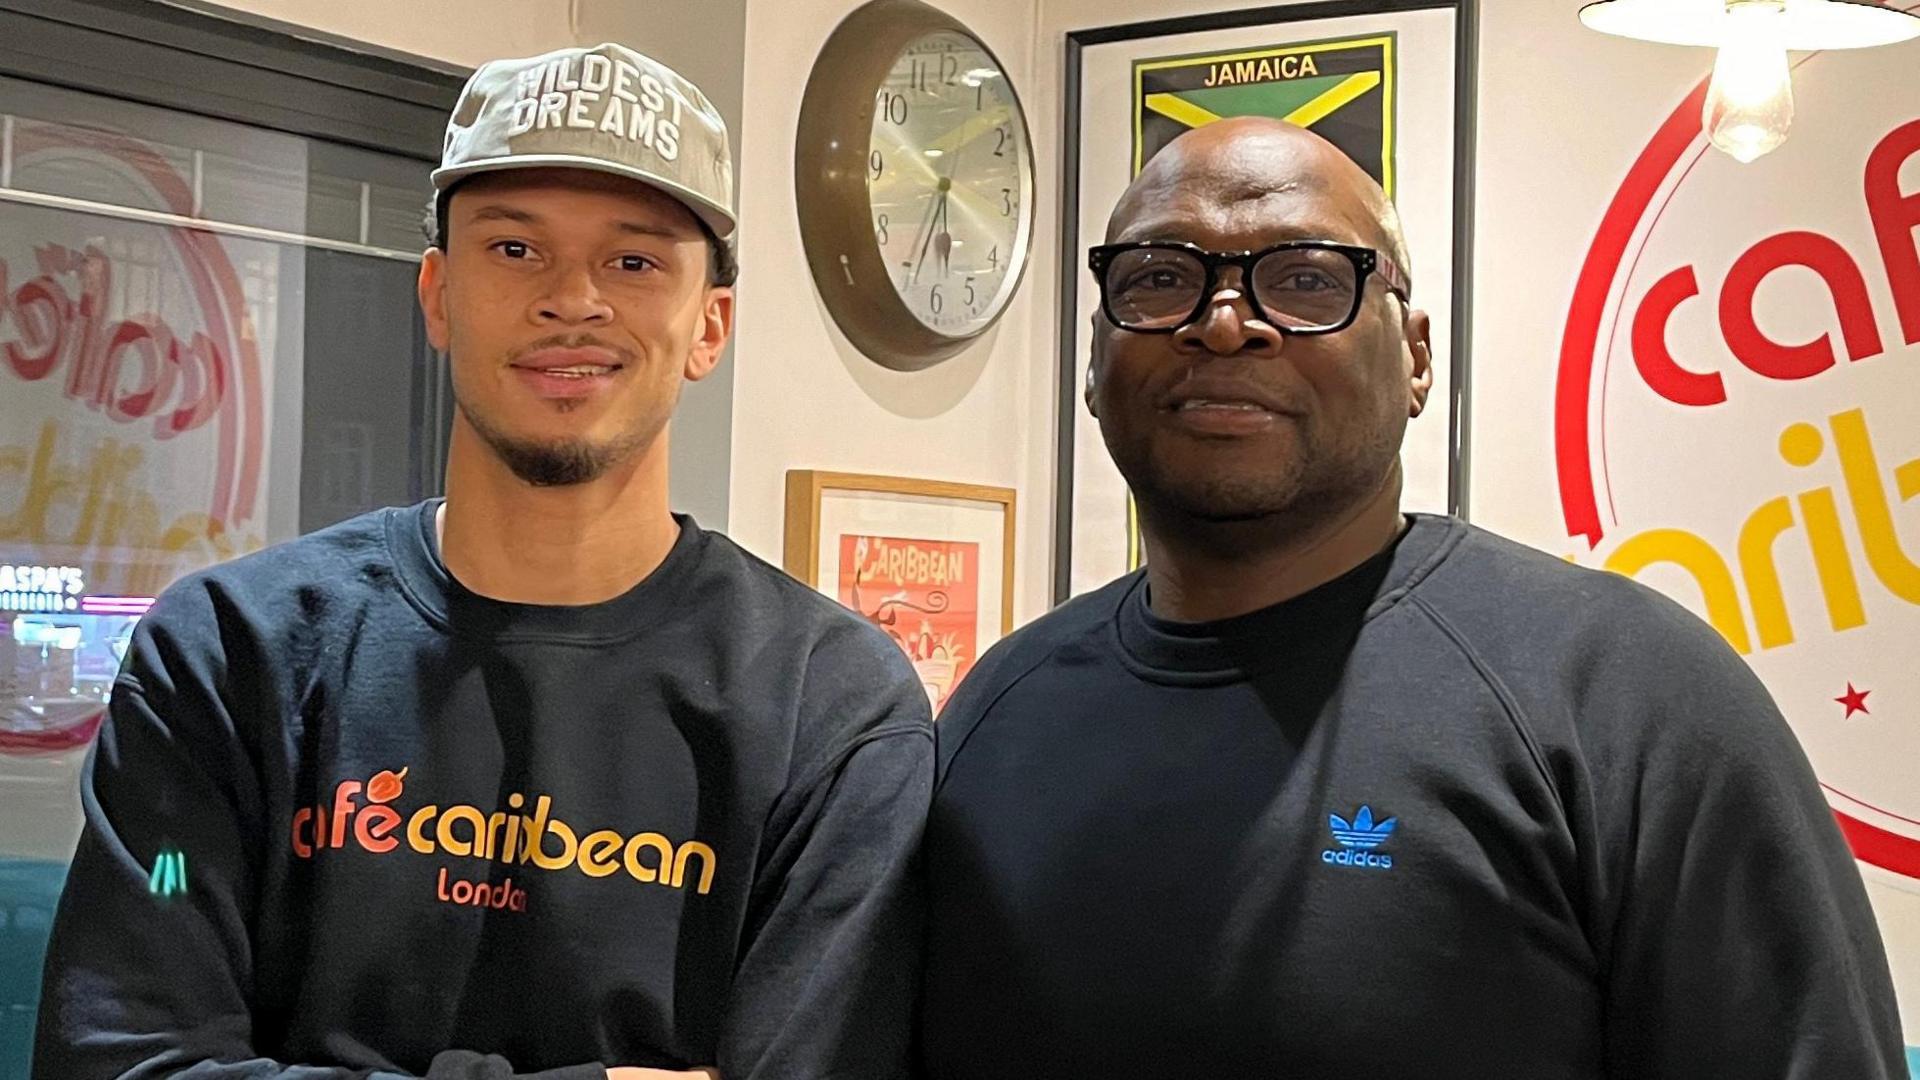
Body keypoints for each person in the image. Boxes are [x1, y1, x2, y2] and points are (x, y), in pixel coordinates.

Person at [919, 117, 1901, 1078]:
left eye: (1305, 279)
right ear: (1095, 360)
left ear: (1418, 356)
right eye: (1160, 279)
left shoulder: (1627, 702)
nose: (1222, 323)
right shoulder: (996, 716)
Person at [35, 42, 932, 1080]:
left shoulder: (831, 709)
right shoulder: (229, 655)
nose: (574, 299)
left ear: (709, 326)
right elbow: (116, 1061)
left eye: (634, 262)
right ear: (437, 294)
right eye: (514, 249)